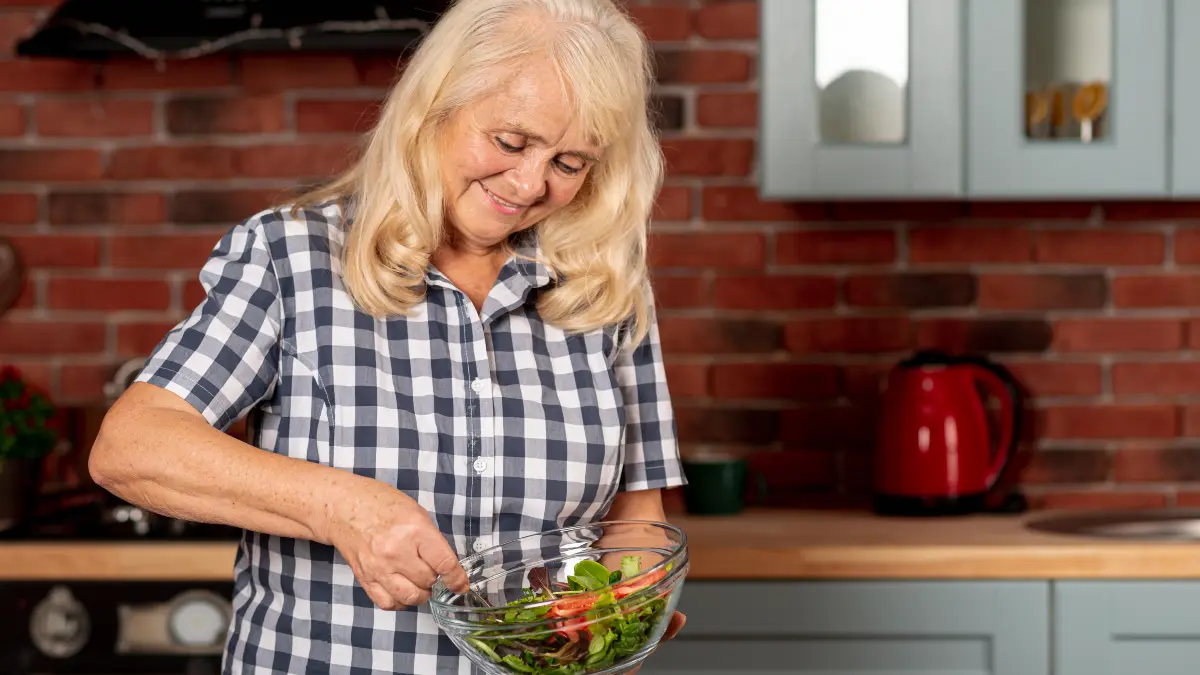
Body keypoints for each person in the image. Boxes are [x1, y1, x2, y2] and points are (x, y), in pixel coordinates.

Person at [87, 0, 688, 673]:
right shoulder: (293, 257)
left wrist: (618, 620)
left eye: (570, 163)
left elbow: (636, 514)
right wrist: (343, 507)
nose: (529, 184)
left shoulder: (605, 284)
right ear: (435, 105)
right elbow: (132, 445)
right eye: (511, 142)